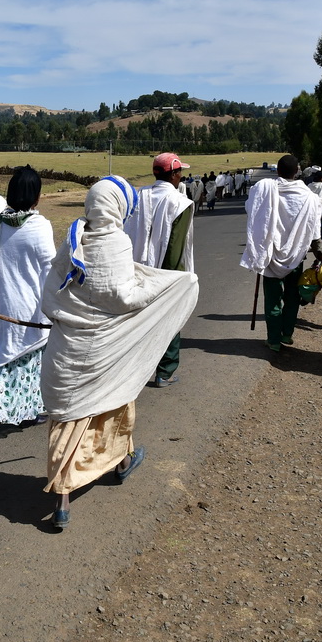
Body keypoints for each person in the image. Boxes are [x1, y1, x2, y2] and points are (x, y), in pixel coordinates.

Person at [41, 176, 200, 528]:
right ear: (119, 207)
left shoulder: (73, 241)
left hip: (68, 352)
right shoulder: (117, 244)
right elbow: (125, 297)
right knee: (116, 403)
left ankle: (64, 501)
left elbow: (50, 296)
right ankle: (121, 462)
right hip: (107, 352)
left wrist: (71, 315)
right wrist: (163, 284)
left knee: (69, 421)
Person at [0, 166, 56, 429]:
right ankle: (23, 410)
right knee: (27, 359)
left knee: (5, 354)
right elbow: (49, 269)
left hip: (3, 301)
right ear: (36, 196)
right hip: (30, 306)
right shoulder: (38, 226)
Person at [123, 152, 196, 387]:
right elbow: (175, 245)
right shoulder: (180, 202)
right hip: (166, 270)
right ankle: (165, 370)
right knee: (170, 317)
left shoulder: (140, 194)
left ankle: (134, 368)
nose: (181, 176)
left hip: (137, 265)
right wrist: (174, 279)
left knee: (139, 318)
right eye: (180, 172)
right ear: (174, 174)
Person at [240, 154, 322, 352]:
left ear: (278, 171)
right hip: (296, 257)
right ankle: (287, 333)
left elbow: (251, 211)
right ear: (297, 172)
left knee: (272, 299)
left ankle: (274, 340)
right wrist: (321, 253)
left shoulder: (264, 191)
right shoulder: (311, 198)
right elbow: (314, 231)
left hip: (270, 256)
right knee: (292, 297)